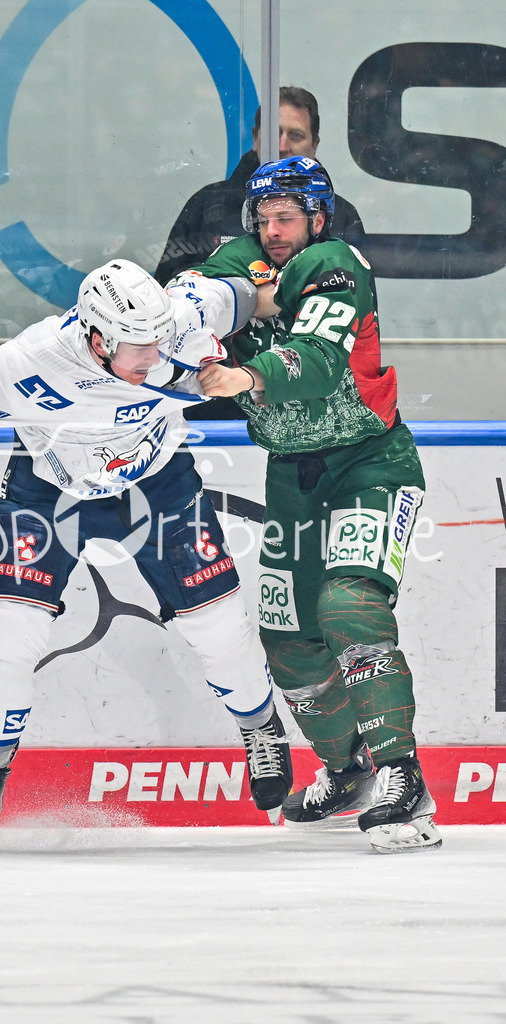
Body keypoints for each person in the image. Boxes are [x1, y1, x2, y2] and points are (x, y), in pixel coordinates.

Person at [0, 258, 292, 852]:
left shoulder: (184, 312)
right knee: (7, 638)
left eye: (160, 340)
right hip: (48, 487)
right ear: (97, 338)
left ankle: (262, 731)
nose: (155, 355)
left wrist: (284, 304)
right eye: (139, 347)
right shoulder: (27, 364)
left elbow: (254, 294)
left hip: (157, 481)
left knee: (219, 626)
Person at [192, 157, 441, 854]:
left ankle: (402, 776)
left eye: (288, 218)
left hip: (371, 463)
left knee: (348, 605)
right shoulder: (238, 260)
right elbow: (194, 300)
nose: (273, 230)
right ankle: (347, 770)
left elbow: (321, 362)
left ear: (318, 218)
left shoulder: (336, 262)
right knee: (289, 637)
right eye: (264, 218)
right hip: (293, 477)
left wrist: (245, 371)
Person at [155, 87, 365, 288]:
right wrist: (243, 298)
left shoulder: (342, 214)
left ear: (314, 145)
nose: (282, 146)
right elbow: (169, 290)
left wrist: (281, 298)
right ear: (255, 138)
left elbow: (361, 299)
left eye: (296, 136)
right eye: (273, 134)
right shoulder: (208, 204)